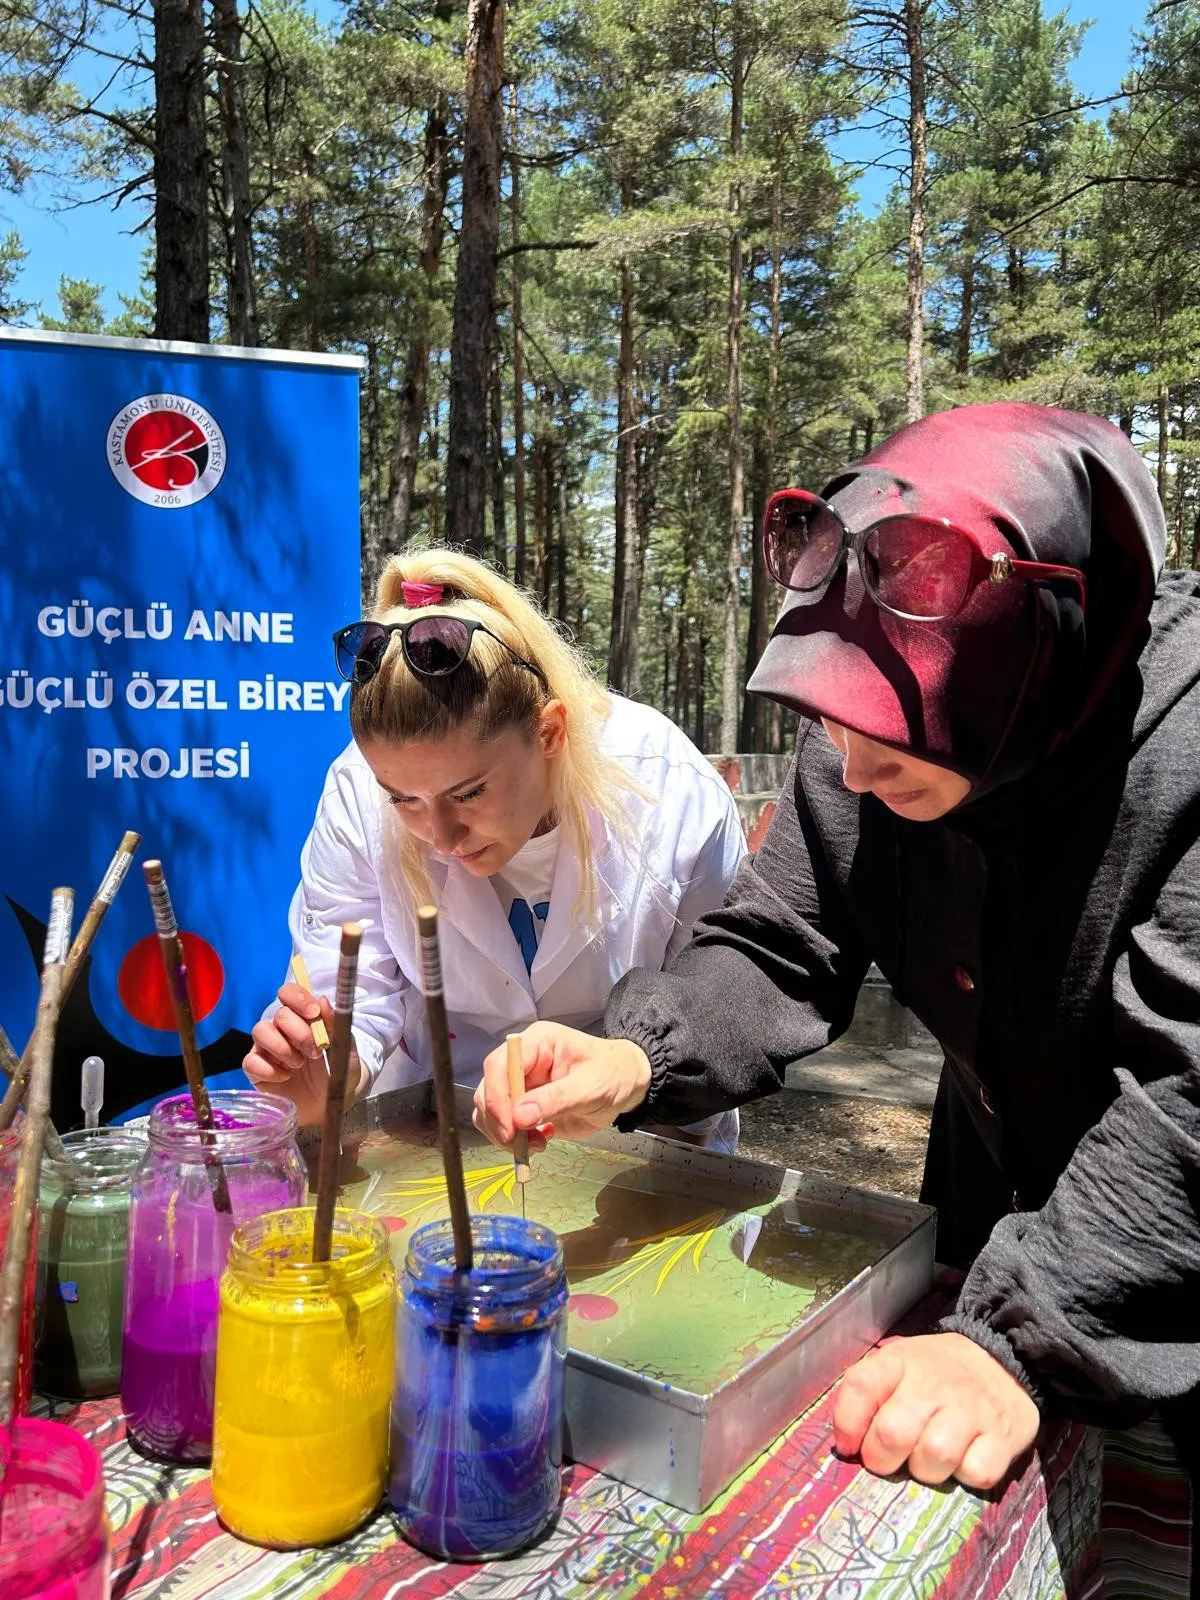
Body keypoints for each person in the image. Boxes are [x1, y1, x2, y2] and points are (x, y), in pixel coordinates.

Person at [473, 404, 1200, 1524]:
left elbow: (1187, 1097)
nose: (849, 769)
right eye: (832, 717)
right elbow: (778, 945)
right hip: (984, 1225)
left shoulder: (1185, 750)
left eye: (889, 731)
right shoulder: (855, 743)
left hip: (1150, 1259)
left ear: (1044, 655)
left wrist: (1023, 1333)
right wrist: (633, 1053)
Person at [243, 549, 745, 1152]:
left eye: (470, 792)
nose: (443, 836)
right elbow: (355, 990)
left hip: (640, 1129)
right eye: (403, 800)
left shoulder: (668, 792)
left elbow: (717, 996)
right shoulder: (357, 792)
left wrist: (651, 1129)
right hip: (436, 1123)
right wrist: (330, 1069)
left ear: (550, 732)